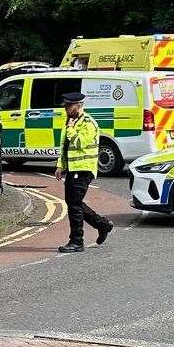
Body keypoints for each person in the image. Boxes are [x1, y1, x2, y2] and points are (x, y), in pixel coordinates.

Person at [54, 91, 114, 253]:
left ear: (79, 106)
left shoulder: (88, 123)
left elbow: (81, 143)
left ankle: (77, 241)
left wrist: (72, 130)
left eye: (69, 106)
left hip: (84, 169)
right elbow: (65, 147)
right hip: (73, 169)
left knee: (74, 204)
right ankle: (102, 225)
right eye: (65, 105)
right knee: (74, 203)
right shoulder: (70, 121)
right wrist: (61, 165)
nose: (66, 108)